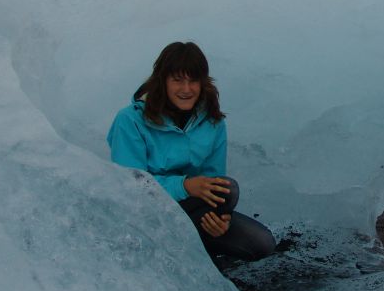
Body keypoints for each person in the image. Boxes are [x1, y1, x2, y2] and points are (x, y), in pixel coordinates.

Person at [107, 41, 275, 261]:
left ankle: (204, 249)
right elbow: (130, 186)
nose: (186, 89)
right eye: (177, 80)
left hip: (191, 212)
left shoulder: (212, 121)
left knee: (260, 240)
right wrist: (184, 186)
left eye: (193, 81)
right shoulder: (130, 120)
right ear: (162, 81)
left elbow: (214, 183)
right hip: (147, 217)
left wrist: (220, 219)